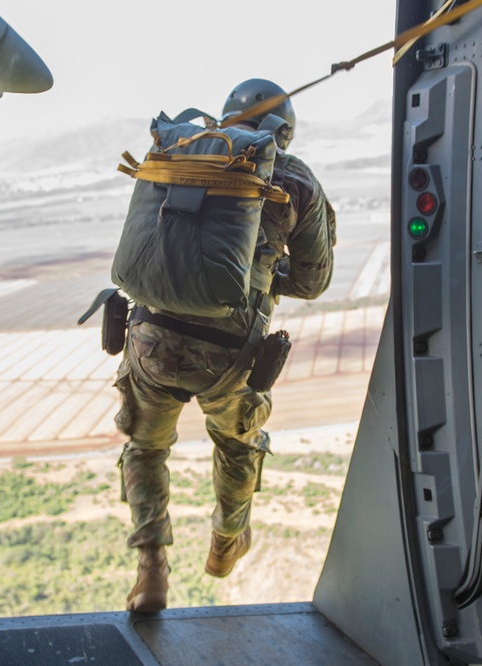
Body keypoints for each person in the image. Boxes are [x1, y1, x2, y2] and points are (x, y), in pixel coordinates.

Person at [114, 78, 337, 613]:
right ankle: (225, 540)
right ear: (283, 131)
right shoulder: (296, 178)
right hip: (230, 352)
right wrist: (259, 273)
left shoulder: (188, 152)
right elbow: (312, 281)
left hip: (152, 337)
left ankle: (150, 569)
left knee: (145, 448)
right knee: (237, 444)